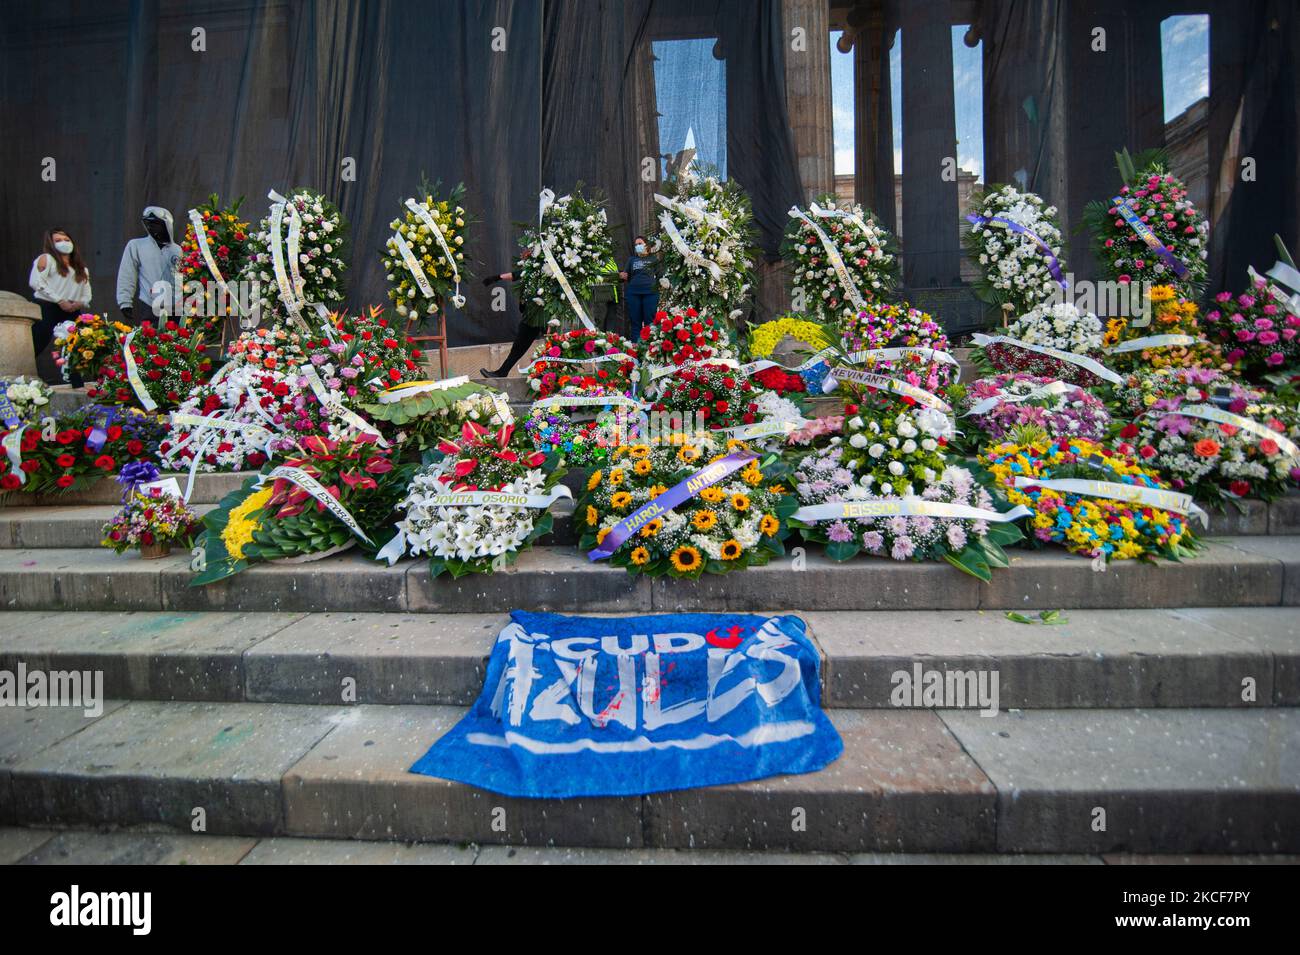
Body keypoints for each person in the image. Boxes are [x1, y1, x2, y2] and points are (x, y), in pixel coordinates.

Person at [28, 228, 93, 365]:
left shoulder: (81, 269)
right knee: (38, 341)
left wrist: (78, 304)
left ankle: (77, 383)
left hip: (71, 309)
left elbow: (87, 295)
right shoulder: (46, 259)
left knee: (77, 345)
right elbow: (36, 282)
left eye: (66, 240)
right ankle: (17, 375)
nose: (63, 243)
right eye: (58, 240)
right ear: (51, 244)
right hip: (47, 306)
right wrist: (59, 300)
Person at [479, 247, 542, 379]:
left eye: (525, 253)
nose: (522, 255)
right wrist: (497, 278)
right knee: (519, 346)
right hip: (531, 315)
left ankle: (554, 375)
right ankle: (502, 372)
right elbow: (517, 274)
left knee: (553, 343)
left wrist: (497, 277)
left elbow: (518, 274)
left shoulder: (541, 269)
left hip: (542, 315)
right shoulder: (532, 269)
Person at [116, 206, 182, 325]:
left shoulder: (178, 251)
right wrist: (125, 301)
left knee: (178, 341)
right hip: (149, 306)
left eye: (156, 224)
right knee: (150, 341)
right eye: (149, 224)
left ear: (167, 225)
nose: (152, 227)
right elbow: (127, 273)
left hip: (175, 308)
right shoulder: (136, 246)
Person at [618, 235, 659, 341]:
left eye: (640, 244)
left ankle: (650, 347)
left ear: (646, 245)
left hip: (650, 293)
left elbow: (660, 274)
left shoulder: (653, 259)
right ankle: (635, 347)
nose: (637, 246)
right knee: (635, 321)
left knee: (649, 321)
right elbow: (626, 274)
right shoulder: (632, 260)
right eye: (636, 245)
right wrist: (623, 275)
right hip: (633, 293)